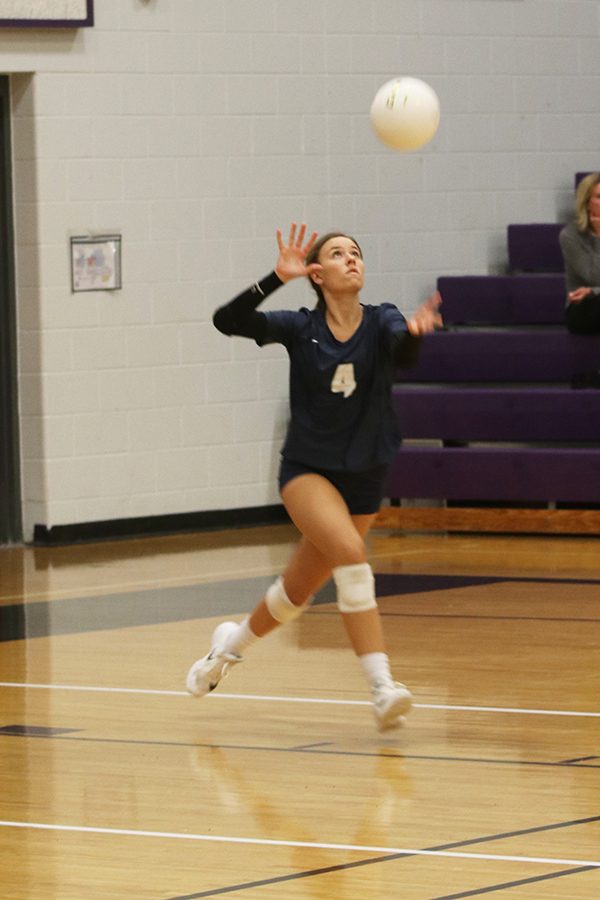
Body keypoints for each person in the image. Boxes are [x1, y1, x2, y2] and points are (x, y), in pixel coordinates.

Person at [185, 223, 442, 731]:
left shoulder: (383, 318)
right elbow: (226, 320)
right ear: (318, 273)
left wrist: (414, 335)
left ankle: (226, 651)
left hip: (365, 470)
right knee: (351, 555)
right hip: (309, 470)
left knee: (298, 591)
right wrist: (274, 278)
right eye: (339, 254)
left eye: (357, 253)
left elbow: (401, 348)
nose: (352, 259)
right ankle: (382, 688)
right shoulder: (299, 327)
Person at [560, 172, 600, 335]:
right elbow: (594, 276)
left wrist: (594, 290)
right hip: (584, 307)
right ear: (587, 202)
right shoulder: (570, 235)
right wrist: (598, 235)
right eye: (599, 197)